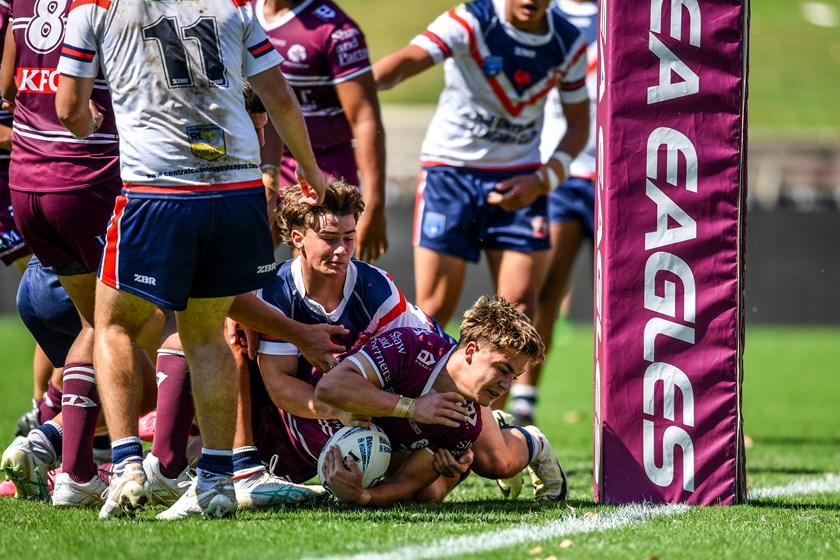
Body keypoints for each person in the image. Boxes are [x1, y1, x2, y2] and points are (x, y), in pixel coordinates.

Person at [54, 0, 328, 520]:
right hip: (237, 193)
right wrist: (309, 170)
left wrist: (91, 127)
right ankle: (218, 480)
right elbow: (281, 98)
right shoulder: (236, 5)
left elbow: (69, 110)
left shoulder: (97, 7)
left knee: (112, 326)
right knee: (205, 333)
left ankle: (129, 469)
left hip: (159, 192)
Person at [230, 183, 567, 507]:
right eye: (330, 239)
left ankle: (529, 441)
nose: (341, 250)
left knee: (496, 461)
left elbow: (437, 361)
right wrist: (345, 410)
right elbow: (281, 387)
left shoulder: (375, 290)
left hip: (424, 388)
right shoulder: (275, 292)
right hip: (366, 404)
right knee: (421, 495)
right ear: (297, 239)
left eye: (349, 238)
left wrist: (440, 423)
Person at [372, 0, 590, 333]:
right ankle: (418, 385)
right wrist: (354, 85)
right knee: (434, 309)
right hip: (450, 173)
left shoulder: (567, 41)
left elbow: (579, 124)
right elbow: (404, 63)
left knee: (517, 315)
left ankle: (492, 386)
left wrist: (543, 180)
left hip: (522, 179)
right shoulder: (472, 19)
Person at [0, 0, 125, 509]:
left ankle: (48, 437)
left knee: (96, 326)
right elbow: (77, 108)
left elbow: (7, 85)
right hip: (88, 181)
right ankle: (86, 458)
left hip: (28, 187)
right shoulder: (107, 6)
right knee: (151, 335)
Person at [315, 295, 544, 507]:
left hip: (385, 445)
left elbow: (407, 483)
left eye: (514, 377)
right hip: (309, 420)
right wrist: (411, 408)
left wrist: (361, 496)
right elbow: (329, 388)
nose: (507, 386)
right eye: (502, 369)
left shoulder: (466, 423)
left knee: (427, 496)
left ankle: (527, 443)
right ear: (471, 351)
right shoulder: (412, 346)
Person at [507, 0, 598, 425]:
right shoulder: (542, 12)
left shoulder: (626, 12)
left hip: (623, 173)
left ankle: (643, 402)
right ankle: (526, 394)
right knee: (546, 287)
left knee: (635, 293)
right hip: (561, 173)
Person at [253, 0, 388, 263]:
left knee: (318, 274)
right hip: (262, 160)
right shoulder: (242, 12)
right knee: (241, 271)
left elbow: (365, 118)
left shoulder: (339, 30)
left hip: (324, 167)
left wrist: (375, 203)